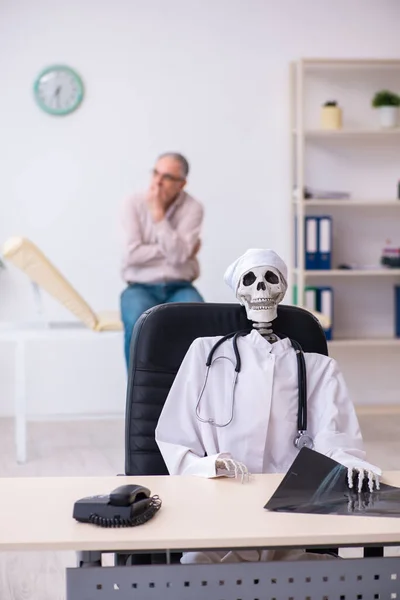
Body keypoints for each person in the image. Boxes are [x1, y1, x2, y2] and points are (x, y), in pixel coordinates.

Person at [155, 248, 381, 564]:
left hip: (291, 524)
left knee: (331, 575)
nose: (261, 288)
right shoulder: (205, 355)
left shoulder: (317, 368)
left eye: (270, 280)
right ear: (240, 293)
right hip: (219, 520)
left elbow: (336, 441)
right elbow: (174, 438)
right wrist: (210, 464)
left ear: (282, 289)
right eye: (251, 281)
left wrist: (350, 465)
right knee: (197, 569)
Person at [120, 153, 204, 367]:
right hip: (140, 286)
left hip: (180, 287)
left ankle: (190, 395)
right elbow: (132, 255)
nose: (157, 182)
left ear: (181, 184)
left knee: (201, 324)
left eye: (166, 177)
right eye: (155, 173)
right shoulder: (134, 203)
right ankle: (138, 398)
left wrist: (157, 216)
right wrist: (179, 249)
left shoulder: (193, 208)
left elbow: (178, 257)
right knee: (138, 325)